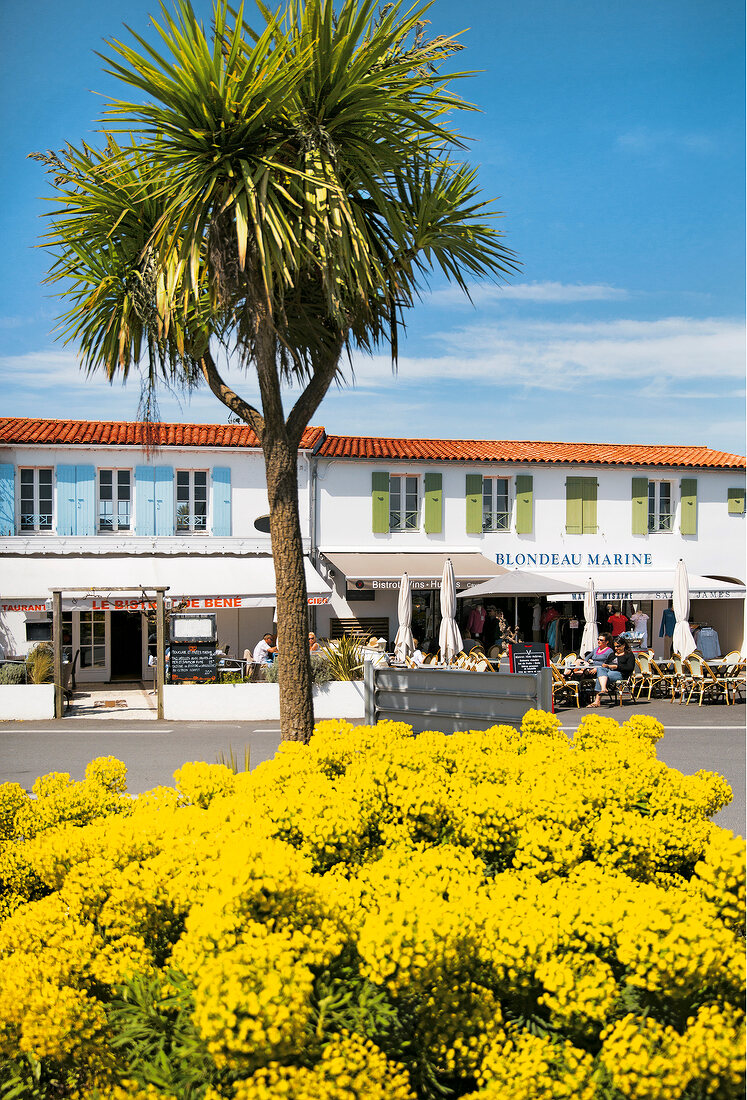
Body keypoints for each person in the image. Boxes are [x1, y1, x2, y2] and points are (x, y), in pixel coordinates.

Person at [588, 637, 635, 707]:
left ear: (623, 645)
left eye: (618, 646)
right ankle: (603, 689)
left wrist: (617, 667)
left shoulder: (629, 655)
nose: (616, 648)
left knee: (601, 677)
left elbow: (630, 668)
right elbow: (606, 664)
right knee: (601, 670)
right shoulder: (612, 654)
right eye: (615, 646)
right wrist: (606, 665)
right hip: (609, 671)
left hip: (620, 673)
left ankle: (597, 700)